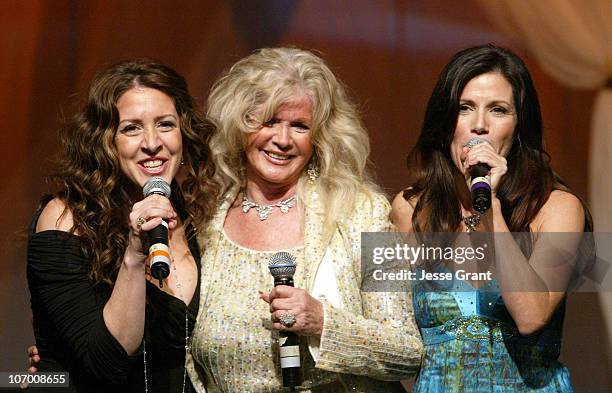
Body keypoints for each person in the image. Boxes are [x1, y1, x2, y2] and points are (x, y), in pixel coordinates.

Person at [185, 47, 422, 392]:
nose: (282, 140)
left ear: (320, 137)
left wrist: (323, 322)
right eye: (268, 122)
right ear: (240, 124)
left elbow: (407, 351)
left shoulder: (365, 212)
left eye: (299, 126)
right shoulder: (204, 217)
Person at [391, 44, 593, 392]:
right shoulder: (411, 209)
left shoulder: (557, 208)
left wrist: (490, 207)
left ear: (518, 128)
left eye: (498, 110)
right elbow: (394, 335)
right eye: (465, 108)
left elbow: (531, 316)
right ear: (445, 123)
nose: (480, 125)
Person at [26, 59, 219, 392]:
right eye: (131, 128)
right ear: (105, 141)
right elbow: (106, 363)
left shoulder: (197, 219)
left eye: (165, 124)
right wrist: (133, 253)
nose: (152, 142)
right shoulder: (65, 220)